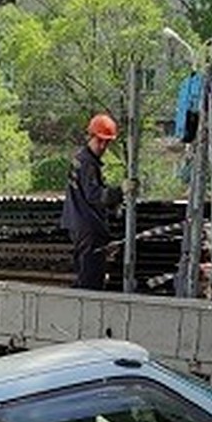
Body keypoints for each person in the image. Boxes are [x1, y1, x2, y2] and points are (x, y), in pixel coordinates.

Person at [61, 113, 125, 290]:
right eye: (100, 140)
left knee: (85, 275)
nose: (103, 146)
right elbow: (94, 195)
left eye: (107, 142)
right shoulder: (88, 163)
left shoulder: (80, 160)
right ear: (91, 136)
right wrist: (120, 191)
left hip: (80, 226)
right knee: (91, 282)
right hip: (88, 228)